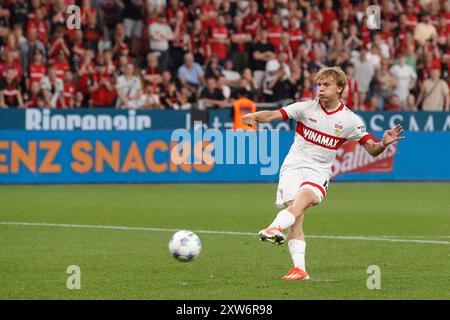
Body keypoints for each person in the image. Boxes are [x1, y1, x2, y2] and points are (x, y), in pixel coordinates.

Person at [242, 67, 405, 281]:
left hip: (318, 170)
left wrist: (384, 142)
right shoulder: (305, 108)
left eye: (326, 85)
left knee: (306, 197)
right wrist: (254, 115)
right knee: (296, 217)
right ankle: (299, 269)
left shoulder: (350, 121)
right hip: (293, 166)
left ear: (340, 88)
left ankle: (274, 227)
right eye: (319, 85)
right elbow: (273, 115)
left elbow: (372, 149)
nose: (320, 89)